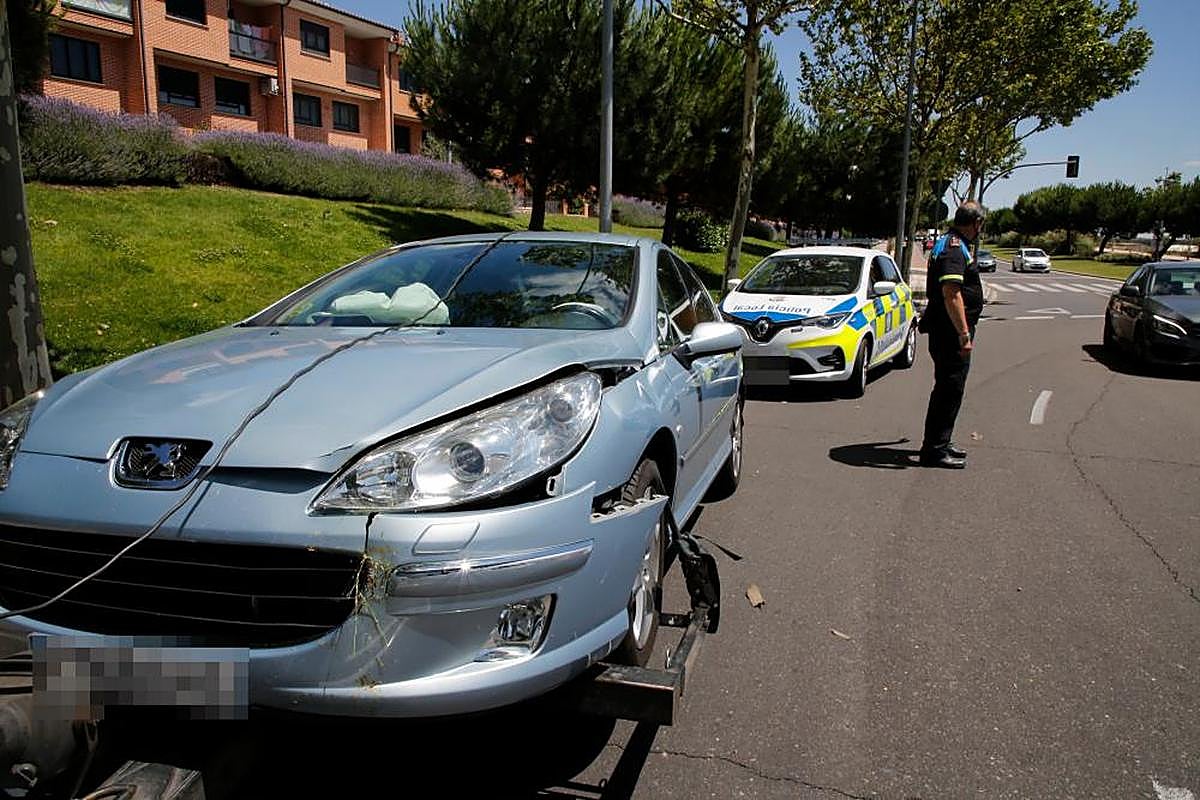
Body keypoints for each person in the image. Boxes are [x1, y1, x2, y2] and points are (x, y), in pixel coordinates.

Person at [918, 201, 985, 469]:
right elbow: (951, 293)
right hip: (949, 334)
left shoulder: (950, 243)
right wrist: (963, 335)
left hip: (946, 331)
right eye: (981, 225)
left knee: (949, 389)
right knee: (949, 389)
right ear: (976, 223)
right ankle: (934, 450)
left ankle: (941, 442)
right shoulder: (954, 249)